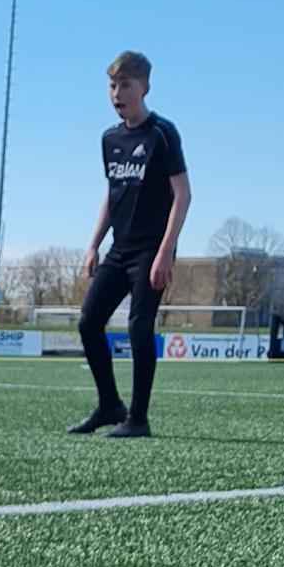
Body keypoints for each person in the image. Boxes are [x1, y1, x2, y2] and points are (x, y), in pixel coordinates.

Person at [68, 51, 191, 438]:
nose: (117, 93)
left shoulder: (162, 133)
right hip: (119, 250)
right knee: (89, 322)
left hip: (150, 251)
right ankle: (109, 404)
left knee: (139, 328)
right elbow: (113, 193)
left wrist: (166, 250)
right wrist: (93, 245)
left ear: (145, 88)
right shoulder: (110, 139)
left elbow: (183, 194)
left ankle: (138, 417)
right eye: (112, 85)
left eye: (125, 85)